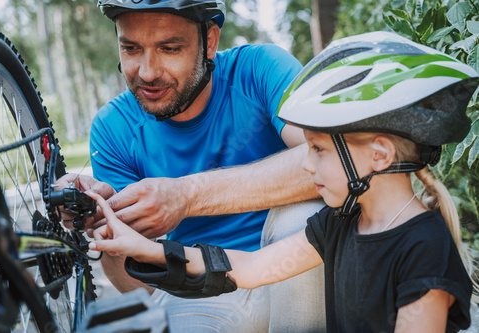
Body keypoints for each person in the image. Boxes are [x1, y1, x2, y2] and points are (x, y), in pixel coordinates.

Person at [86, 31, 478, 332]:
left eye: (319, 150)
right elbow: (252, 267)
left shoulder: (424, 248)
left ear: (379, 154)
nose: (304, 165)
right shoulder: (338, 224)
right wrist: (148, 249)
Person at [58, 0, 326, 331]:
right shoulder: (113, 127)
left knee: (303, 216)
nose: (147, 72)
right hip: (202, 287)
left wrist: (186, 196)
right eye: (130, 48)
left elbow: (332, 156)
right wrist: (103, 216)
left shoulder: (260, 69)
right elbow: (145, 291)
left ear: (210, 42)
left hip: (294, 264)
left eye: (169, 48)